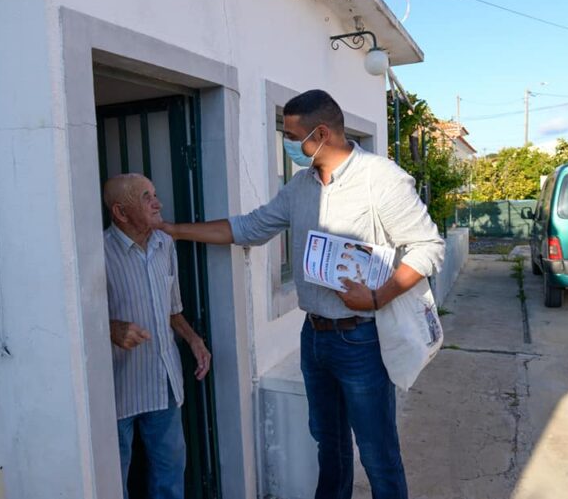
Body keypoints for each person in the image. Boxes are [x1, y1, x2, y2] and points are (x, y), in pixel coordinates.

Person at [163, 89, 444, 499]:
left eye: (292, 136)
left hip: (361, 337)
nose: (288, 144)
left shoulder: (380, 179)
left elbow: (428, 247)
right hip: (314, 336)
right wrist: (175, 230)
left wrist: (377, 297)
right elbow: (249, 227)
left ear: (322, 133)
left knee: (377, 452)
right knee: (328, 445)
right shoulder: (301, 186)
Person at [103, 173, 211, 499]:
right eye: (147, 196)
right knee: (112, 479)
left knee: (169, 476)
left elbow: (172, 308)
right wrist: (110, 328)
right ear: (121, 213)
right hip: (117, 387)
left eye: (155, 193)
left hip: (162, 379)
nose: (158, 203)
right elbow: (72, 320)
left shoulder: (165, 243)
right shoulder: (97, 253)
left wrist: (193, 339)